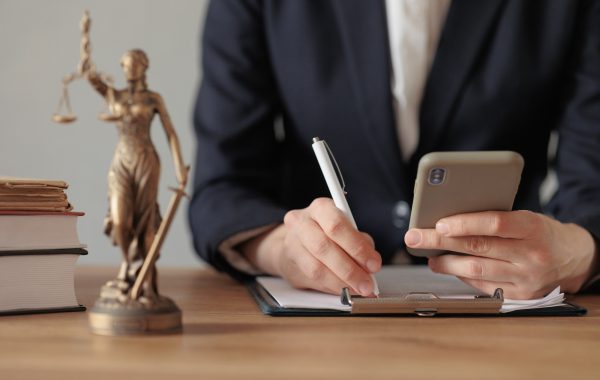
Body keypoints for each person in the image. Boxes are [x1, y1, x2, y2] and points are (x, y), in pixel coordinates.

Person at [189, 0, 600, 300]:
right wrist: (282, 249)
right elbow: (222, 189)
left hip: (508, 314)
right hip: (319, 321)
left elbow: (593, 183)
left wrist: (578, 253)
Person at [86, 49, 188, 300]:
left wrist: (179, 168)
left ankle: (145, 280)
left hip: (146, 160)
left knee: (145, 224)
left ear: (145, 66)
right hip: (121, 161)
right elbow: (90, 76)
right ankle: (129, 265)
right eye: (126, 65)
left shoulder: (153, 99)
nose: (129, 69)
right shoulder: (115, 95)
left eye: (135, 64)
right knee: (120, 221)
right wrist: (85, 40)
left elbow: (170, 133)